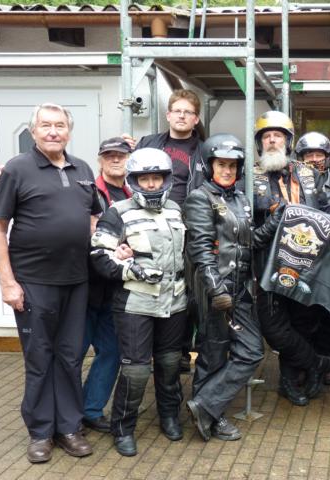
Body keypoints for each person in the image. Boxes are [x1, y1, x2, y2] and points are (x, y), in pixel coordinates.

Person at [0, 103, 98, 463]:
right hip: (35, 282)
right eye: (46, 125)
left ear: (69, 131)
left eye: (60, 125)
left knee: (70, 356)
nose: (53, 131)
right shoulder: (17, 169)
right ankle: (40, 432)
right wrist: (8, 283)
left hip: (77, 281)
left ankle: (69, 428)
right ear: (33, 131)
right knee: (39, 358)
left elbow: (93, 218)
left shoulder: (82, 169)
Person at [90, 148, 187, 457]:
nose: (151, 184)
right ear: (133, 181)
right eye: (144, 179)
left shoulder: (175, 209)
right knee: (136, 370)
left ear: (166, 179)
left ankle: (169, 416)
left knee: (170, 364)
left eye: (157, 177)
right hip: (135, 304)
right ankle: (122, 428)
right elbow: (99, 255)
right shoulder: (117, 212)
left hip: (175, 300)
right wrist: (129, 268)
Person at [184, 134, 281, 442]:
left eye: (232, 165)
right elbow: (200, 248)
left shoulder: (240, 199)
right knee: (213, 355)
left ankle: (205, 407)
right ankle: (212, 417)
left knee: (252, 351)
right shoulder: (199, 198)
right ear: (209, 166)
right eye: (221, 165)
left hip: (241, 288)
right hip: (214, 289)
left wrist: (275, 221)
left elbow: (250, 242)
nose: (227, 170)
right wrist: (216, 290)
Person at [252, 111, 330, 406]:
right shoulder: (249, 177)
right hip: (267, 265)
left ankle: (289, 381)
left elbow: (326, 212)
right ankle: (317, 364)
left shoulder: (309, 174)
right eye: (266, 136)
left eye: (277, 136)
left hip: (307, 265)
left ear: (288, 142)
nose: (272, 140)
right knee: (274, 328)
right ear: (260, 143)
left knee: (303, 323)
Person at [125, 88, 205, 373]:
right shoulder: (148, 143)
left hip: (186, 227)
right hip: (149, 225)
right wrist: (124, 147)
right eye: (177, 111)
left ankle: (180, 348)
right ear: (168, 115)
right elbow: (126, 171)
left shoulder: (203, 150)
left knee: (185, 288)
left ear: (196, 119)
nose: (182, 116)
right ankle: (149, 348)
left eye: (188, 112)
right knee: (149, 283)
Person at [81, 137, 133, 433]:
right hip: (85, 288)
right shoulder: (88, 192)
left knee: (111, 352)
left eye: (121, 156)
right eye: (109, 155)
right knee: (73, 355)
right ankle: (67, 415)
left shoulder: (132, 194)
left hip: (114, 291)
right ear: (100, 160)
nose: (115, 160)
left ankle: (90, 409)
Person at [293, 131, 330, 384]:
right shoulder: (292, 184)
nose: (314, 159)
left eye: (319, 154)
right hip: (303, 260)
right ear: (300, 158)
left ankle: (326, 364)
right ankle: (304, 365)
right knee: (303, 317)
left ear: (328, 157)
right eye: (309, 154)